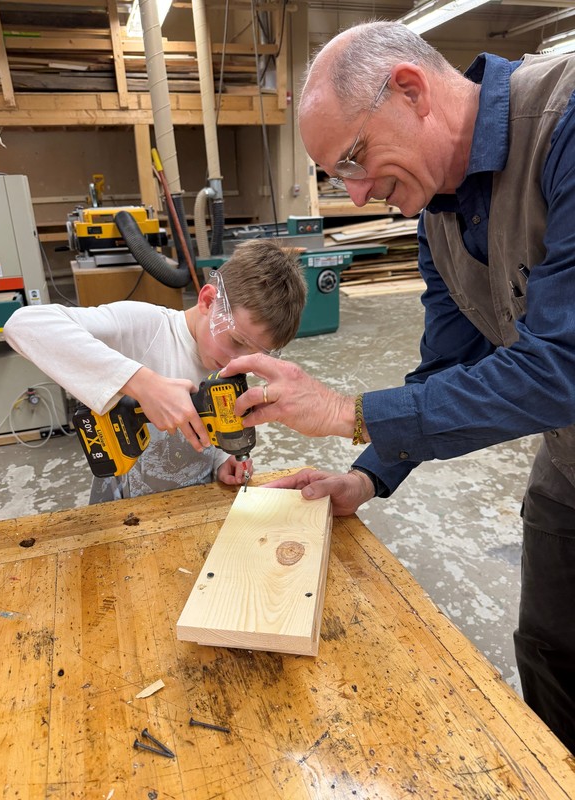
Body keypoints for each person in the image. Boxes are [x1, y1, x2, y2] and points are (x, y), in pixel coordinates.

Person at [220, 21, 575, 752]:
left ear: (411, 91)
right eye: (335, 176)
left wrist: (347, 410)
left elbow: (562, 365)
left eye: (353, 158)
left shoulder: (564, 125)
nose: (355, 191)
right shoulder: (435, 213)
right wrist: (368, 477)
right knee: (549, 651)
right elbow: (445, 369)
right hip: (569, 468)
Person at [4, 239, 306, 503]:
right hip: (121, 503)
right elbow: (23, 325)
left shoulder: (232, 362)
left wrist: (222, 459)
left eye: (255, 354)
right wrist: (141, 383)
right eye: (236, 341)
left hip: (191, 501)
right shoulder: (145, 326)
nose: (238, 361)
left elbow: (212, 423)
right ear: (208, 300)